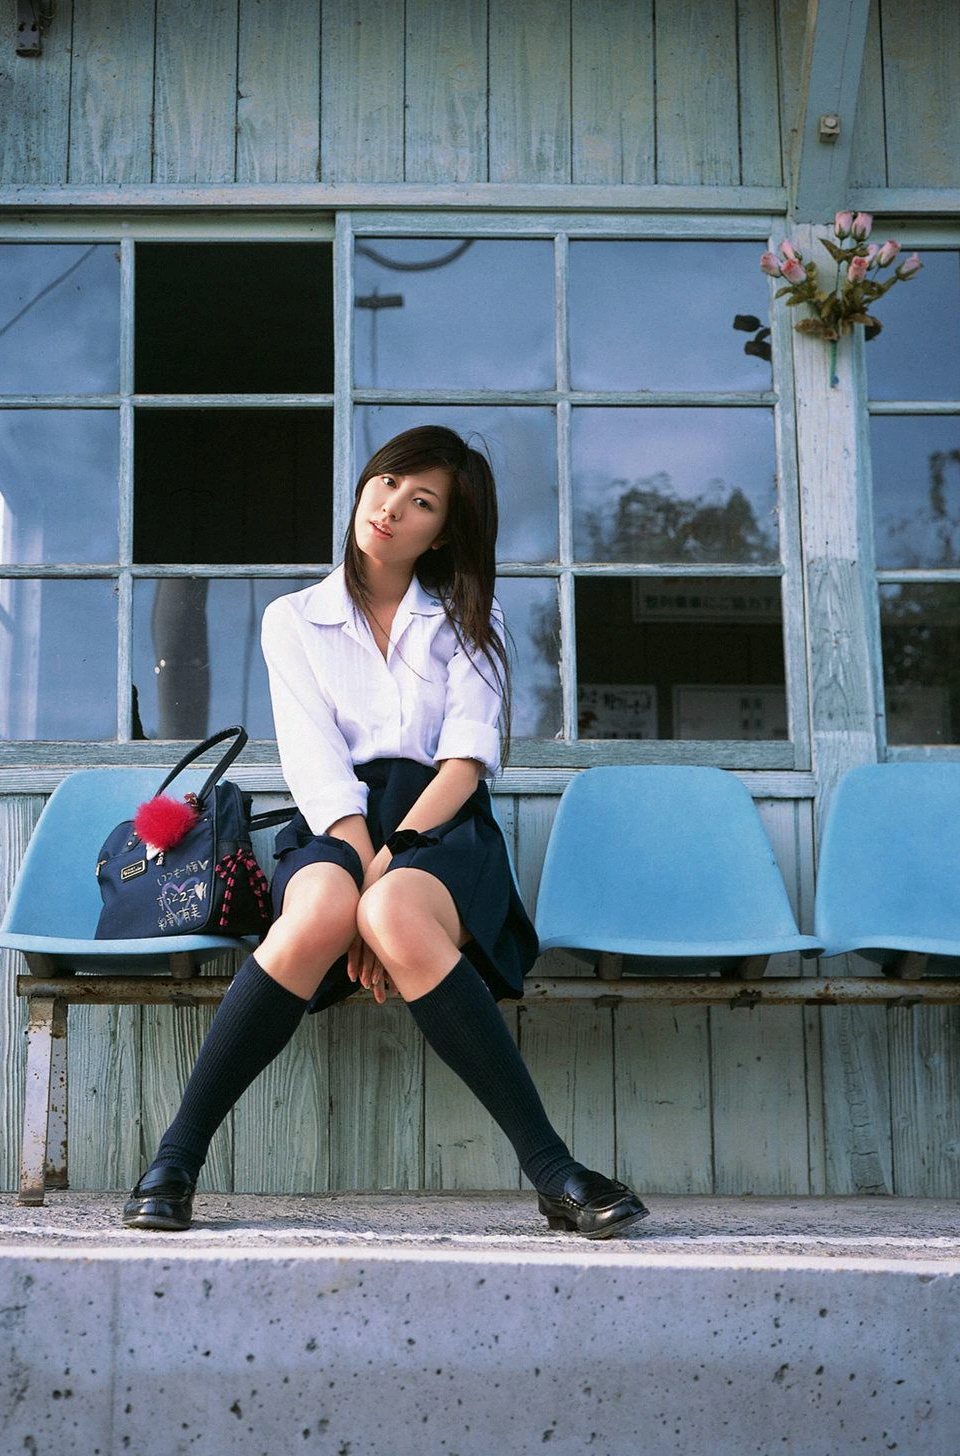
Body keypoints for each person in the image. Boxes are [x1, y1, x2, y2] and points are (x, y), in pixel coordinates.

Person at [123, 424, 649, 1239]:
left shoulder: (470, 619)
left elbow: (465, 764)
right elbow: (313, 760)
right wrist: (364, 877)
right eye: (388, 482)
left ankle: (554, 1174)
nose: (393, 506)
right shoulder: (293, 619)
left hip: (439, 825)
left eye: (422, 501)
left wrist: (388, 872)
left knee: (392, 911)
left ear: (443, 532)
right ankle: (175, 1160)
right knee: (322, 910)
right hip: (334, 817)